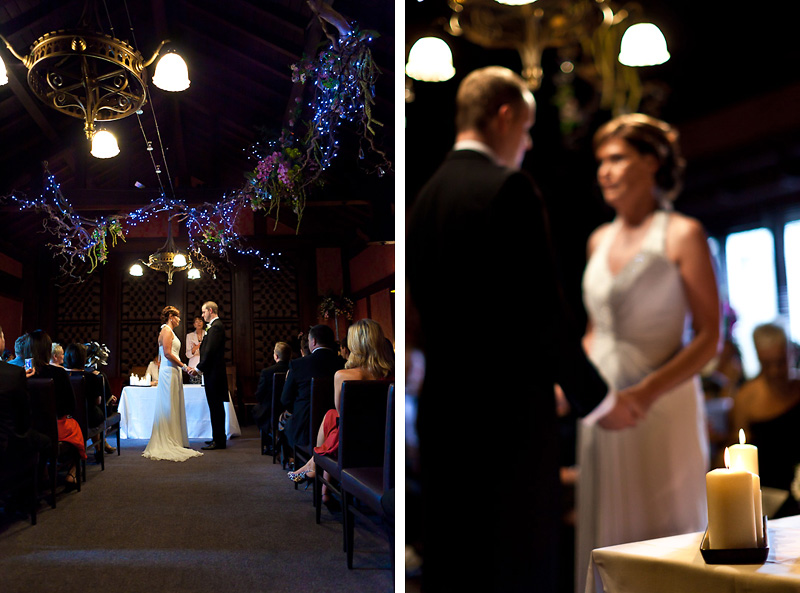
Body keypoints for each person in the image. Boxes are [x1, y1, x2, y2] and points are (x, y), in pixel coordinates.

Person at [406, 66, 635, 593]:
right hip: (506, 427)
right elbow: (545, 316)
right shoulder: (508, 188)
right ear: (505, 115)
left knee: (457, 567)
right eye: (527, 129)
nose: (528, 144)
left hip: (443, 420)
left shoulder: (423, 201)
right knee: (517, 565)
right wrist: (599, 402)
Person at [575, 113, 720, 593]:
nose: (605, 172)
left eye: (617, 158)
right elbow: (598, 329)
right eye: (600, 162)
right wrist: (571, 387)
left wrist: (645, 392)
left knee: (664, 528)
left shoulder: (683, 234)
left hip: (663, 402)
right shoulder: (598, 238)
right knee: (608, 531)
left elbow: (708, 336)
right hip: (603, 406)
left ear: (652, 162)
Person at [288, 319, 394, 509]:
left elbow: (344, 415)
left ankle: (315, 465)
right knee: (332, 417)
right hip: (387, 445)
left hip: (354, 447)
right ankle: (317, 474)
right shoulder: (394, 375)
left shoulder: (343, 376)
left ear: (354, 345)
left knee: (332, 417)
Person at [728, 323, 800, 516]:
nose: (775, 371)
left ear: (791, 352)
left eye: (780, 362)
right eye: (767, 364)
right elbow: (737, 448)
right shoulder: (746, 398)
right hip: (767, 497)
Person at [21, 329, 86, 488]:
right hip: (56, 428)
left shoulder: (20, 374)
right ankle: (72, 471)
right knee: (77, 428)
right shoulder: (59, 373)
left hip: (26, 428)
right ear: (47, 350)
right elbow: (70, 405)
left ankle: (42, 470)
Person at [142, 306, 203, 462]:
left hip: (171, 372)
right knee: (169, 404)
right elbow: (168, 353)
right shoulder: (166, 331)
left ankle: (175, 437)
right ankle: (169, 439)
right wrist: (183, 366)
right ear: (171, 316)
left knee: (173, 404)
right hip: (170, 372)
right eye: (177, 317)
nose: (179, 319)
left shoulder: (168, 331)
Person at [280, 324, 345, 458]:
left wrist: (296, 411)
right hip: (336, 426)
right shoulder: (343, 364)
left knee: (285, 422)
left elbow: (285, 399)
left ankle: (292, 459)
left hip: (305, 427)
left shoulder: (298, 364)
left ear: (313, 341)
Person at [0, 325, 50, 486]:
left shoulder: (14, 371)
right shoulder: (13, 374)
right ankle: (33, 486)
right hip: (7, 443)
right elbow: (23, 419)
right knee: (43, 441)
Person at [64, 343, 116, 457]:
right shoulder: (90, 377)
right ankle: (99, 447)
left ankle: (98, 447)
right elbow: (97, 401)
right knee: (97, 413)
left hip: (67, 415)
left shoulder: (62, 375)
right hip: (87, 417)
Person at [194, 301, 228, 451]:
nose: (202, 315)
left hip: (214, 374)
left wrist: (198, 368)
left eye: (203, 312)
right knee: (215, 407)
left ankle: (219, 441)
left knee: (216, 407)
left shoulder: (216, 327)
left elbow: (210, 352)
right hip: (212, 373)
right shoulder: (214, 327)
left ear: (210, 310)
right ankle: (217, 437)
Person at [251, 341, 292, 434]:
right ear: (290, 356)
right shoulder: (294, 370)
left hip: (270, 411)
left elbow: (259, 395)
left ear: (276, 356)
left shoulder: (267, 372)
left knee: (256, 410)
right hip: (290, 410)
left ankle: (268, 438)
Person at [185, 316, 205, 383]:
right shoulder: (189, 336)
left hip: (205, 365)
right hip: (193, 366)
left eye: (200, 321)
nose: (199, 323)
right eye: (196, 321)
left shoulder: (207, 334)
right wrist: (194, 349)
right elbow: (188, 354)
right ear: (194, 324)